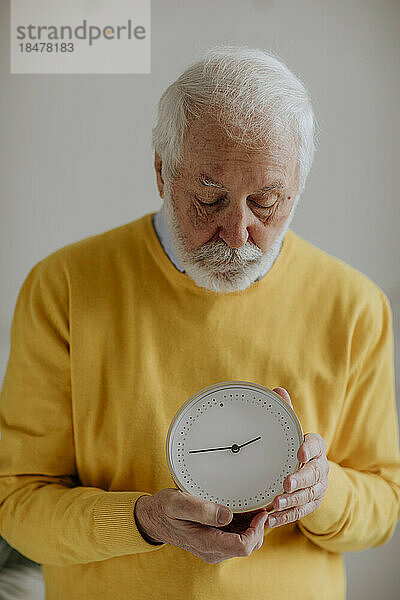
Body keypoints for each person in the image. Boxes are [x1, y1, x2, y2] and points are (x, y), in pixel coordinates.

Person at [0, 45, 399, 600]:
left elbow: (383, 510)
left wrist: (319, 492)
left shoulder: (354, 305)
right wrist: (142, 521)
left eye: (267, 202)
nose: (237, 234)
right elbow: (17, 503)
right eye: (210, 199)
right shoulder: (65, 286)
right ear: (162, 171)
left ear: (299, 188)